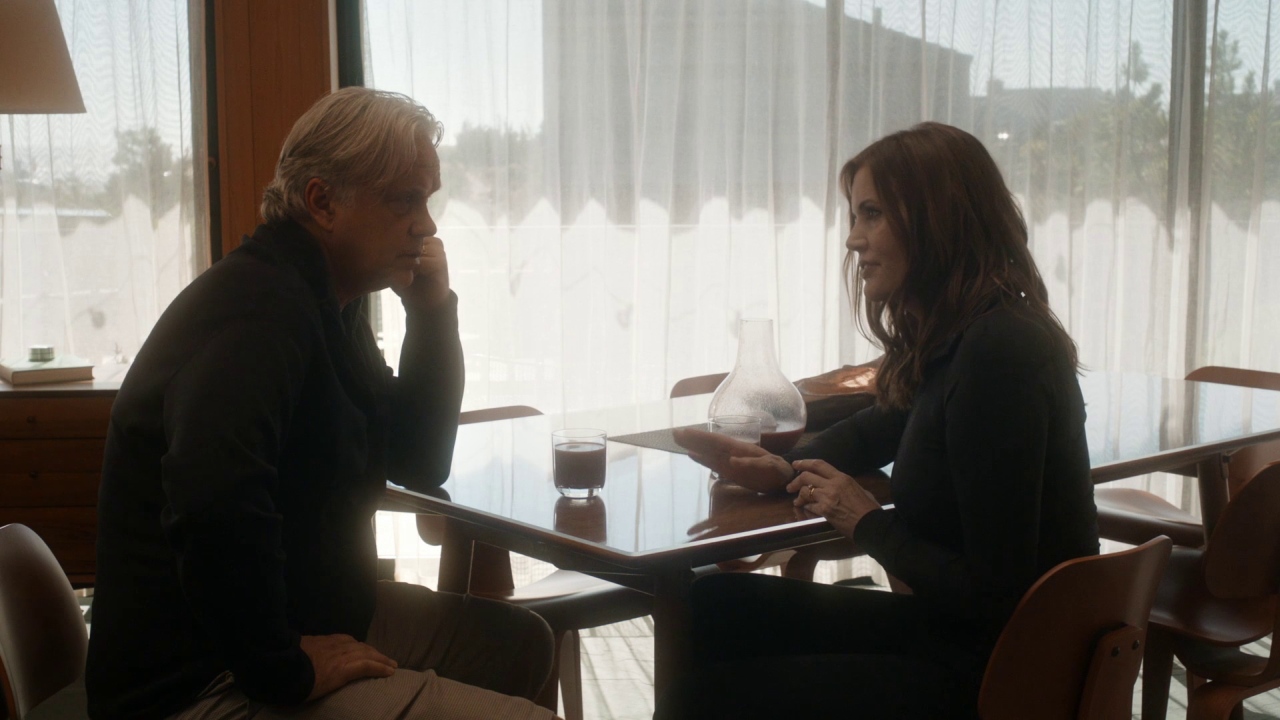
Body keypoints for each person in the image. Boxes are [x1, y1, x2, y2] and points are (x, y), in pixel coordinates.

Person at [86, 88, 557, 720]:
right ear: (322, 202)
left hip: (307, 619)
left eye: (428, 199)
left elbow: (417, 460)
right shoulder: (259, 312)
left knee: (522, 645)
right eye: (404, 200)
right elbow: (213, 503)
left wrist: (430, 314)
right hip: (202, 680)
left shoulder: (332, 303)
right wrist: (285, 668)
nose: (427, 224)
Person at [659, 122, 1100, 719]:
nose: (852, 239)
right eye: (854, 216)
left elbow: (996, 593)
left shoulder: (999, 353)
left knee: (699, 699)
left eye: (872, 214)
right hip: (963, 637)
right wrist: (780, 468)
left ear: (938, 220)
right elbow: (878, 426)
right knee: (717, 604)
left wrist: (865, 522)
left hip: (1002, 674)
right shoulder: (961, 337)